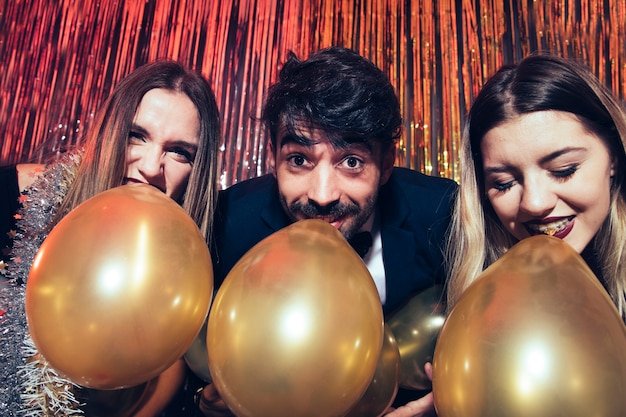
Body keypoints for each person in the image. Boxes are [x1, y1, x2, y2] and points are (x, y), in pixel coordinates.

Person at [193, 46, 457, 417]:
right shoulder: (227, 225)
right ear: (274, 156)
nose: (321, 195)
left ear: (385, 165)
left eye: (351, 162)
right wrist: (206, 404)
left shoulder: (442, 214)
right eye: (299, 160)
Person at [0, 60, 221, 416]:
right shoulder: (20, 197)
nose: (151, 167)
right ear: (110, 132)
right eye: (137, 135)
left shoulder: (179, 306)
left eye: (179, 152)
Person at [446, 53, 626, 322]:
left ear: (613, 157)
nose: (535, 203)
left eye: (563, 170)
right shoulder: (485, 306)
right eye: (504, 184)